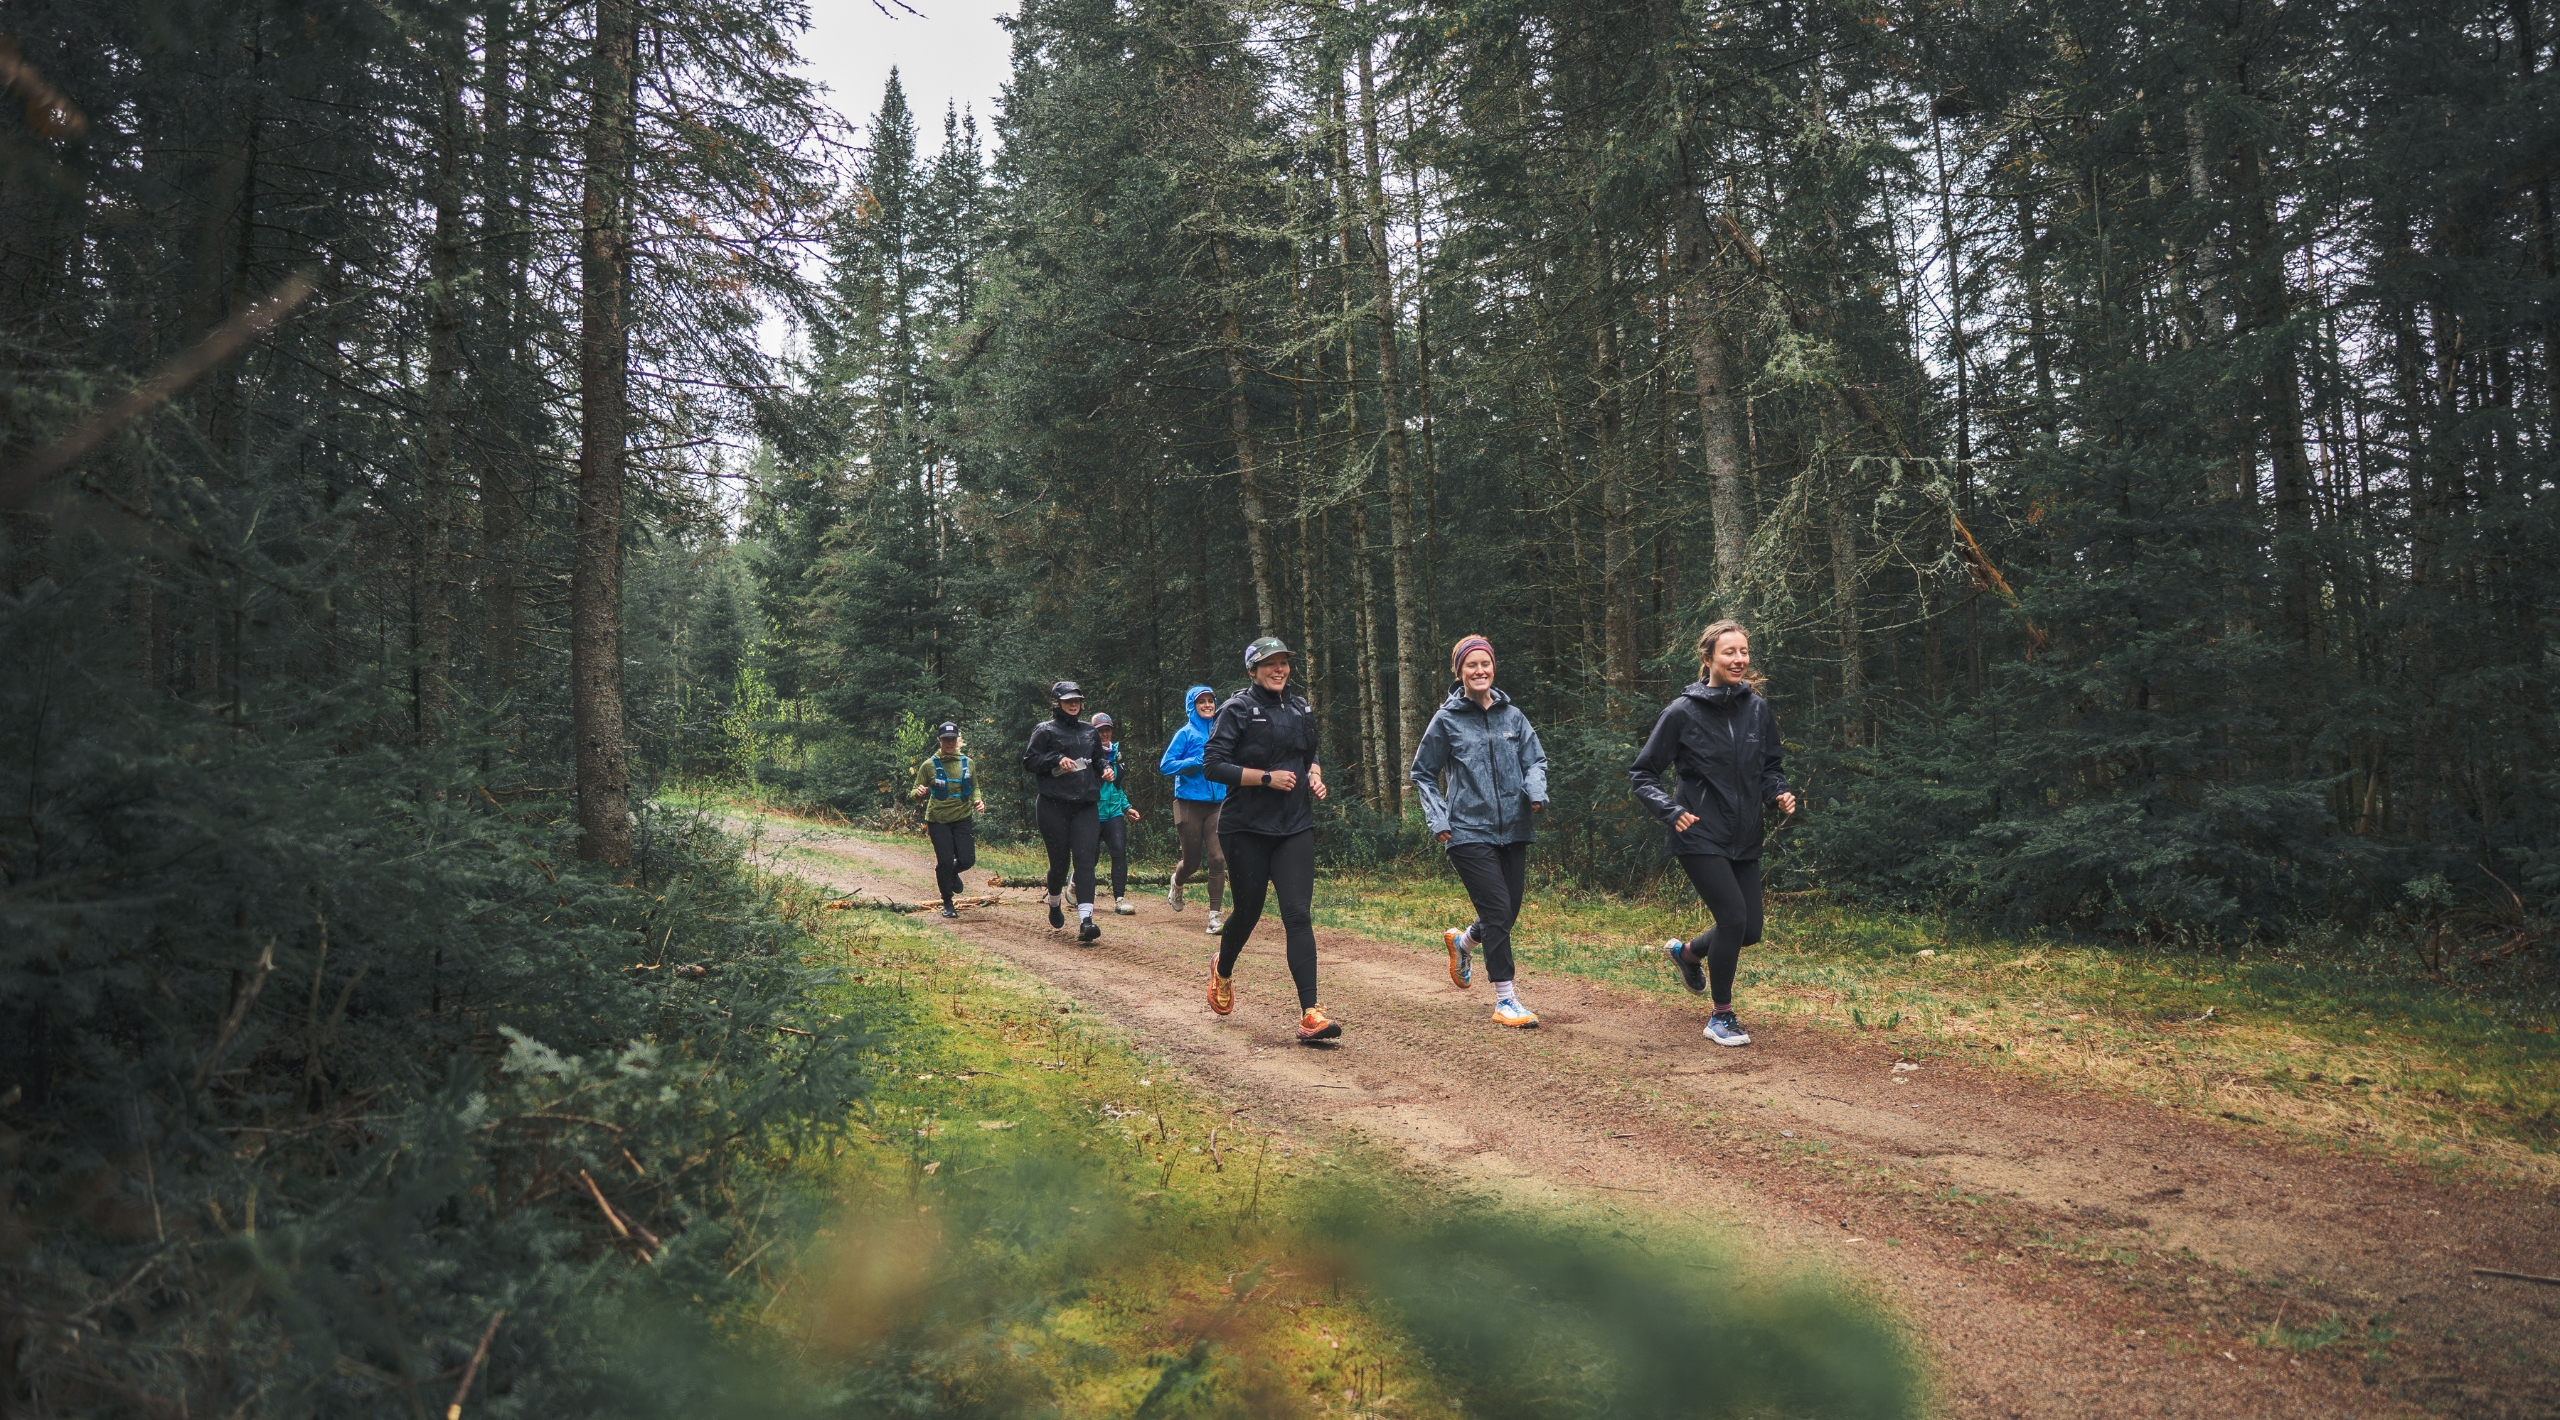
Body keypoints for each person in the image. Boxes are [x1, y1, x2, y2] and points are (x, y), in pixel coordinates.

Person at [1629, 620, 1798, 1047]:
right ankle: (1721, 1016)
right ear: (1708, 659)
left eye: (1744, 651)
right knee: (1733, 919)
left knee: (1750, 930)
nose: (1739, 659)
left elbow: (1770, 766)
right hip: (1698, 832)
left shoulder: (1757, 709)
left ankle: (1687, 953)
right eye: (1729, 652)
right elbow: (1643, 774)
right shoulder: (1681, 712)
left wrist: (1778, 793)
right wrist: (1670, 810)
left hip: (1745, 834)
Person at [1200, 637, 1338, 1043]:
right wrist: (1265, 778)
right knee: (1248, 912)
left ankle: (1311, 1013)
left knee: (1298, 914)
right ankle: (1223, 968)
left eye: (1283, 663)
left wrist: (1314, 776)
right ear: (1253, 670)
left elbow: (1309, 754)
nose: (1279, 670)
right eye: (1269, 664)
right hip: (1245, 828)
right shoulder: (1237, 709)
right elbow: (1213, 765)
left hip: (1294, 826)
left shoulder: (1300, 708)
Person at [1409, 635, 1548, 1028]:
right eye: (1471, 665)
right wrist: (1438, 819)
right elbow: (1422, 772)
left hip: (1514, 828)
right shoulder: (1446, 720)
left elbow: (1535, 760)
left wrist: (1535, 790)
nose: (1480, 670)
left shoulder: (1513, 717)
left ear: (1493, 667)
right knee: (1498, 911)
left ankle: (1464, 941)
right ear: (1460, 672)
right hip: (1466, 830)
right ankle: (1506, 1000)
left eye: (1485, 663)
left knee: (1507, 912)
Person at [1021, 680, 1105, 943]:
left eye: (1077, 700)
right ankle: (1055, 902)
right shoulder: (1045, 730)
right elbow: (1029, 761)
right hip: (1053, 806)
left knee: (1085, 862)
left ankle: (1086, 921)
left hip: (1085, 805)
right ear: (1057, 703)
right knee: (1059, 864)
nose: (1073, 704)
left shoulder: (1090, 731)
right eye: (1068, 700)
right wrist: (1056, 758)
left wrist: (1105, 769)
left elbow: (1098, 759)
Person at [1156, 683, 1229, 935]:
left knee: (1218, 858)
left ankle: (1214, 917)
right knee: (1192, 863)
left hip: (1217, 804)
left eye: (1210, 700)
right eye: (1201, 701)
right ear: (1192, 706)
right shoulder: (1185, 734)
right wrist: (1195, 762)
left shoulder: (1222, 732)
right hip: (1188, 805)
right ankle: (1177, 882)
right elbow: (1165, 766)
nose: (1207, 705)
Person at [908, 720, 985, 918]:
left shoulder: (968, 763)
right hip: (938, 820)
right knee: (944, 861)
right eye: (946, 739)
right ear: (939, 740)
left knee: (967, 860)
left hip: (962, 817)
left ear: (957, 740)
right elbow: (913, 793)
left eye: (953, 739)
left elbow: (975, 787)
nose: (949, 743)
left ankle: (952, 873)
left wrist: (978, 800)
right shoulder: (929, 765)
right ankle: (948, 903)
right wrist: (919, 792)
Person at [1090, 712, 1144, 914]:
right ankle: (1076, 883)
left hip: (1114, 814)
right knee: (1091, 858)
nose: (1104, 734)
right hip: (1092, 814)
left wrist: (1126, 807)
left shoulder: (1117, 755)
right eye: (1100, 731)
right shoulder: (1088, 756)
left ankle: (1119, 900)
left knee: (1119, 852)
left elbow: (1117, 788)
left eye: (1107, 730)